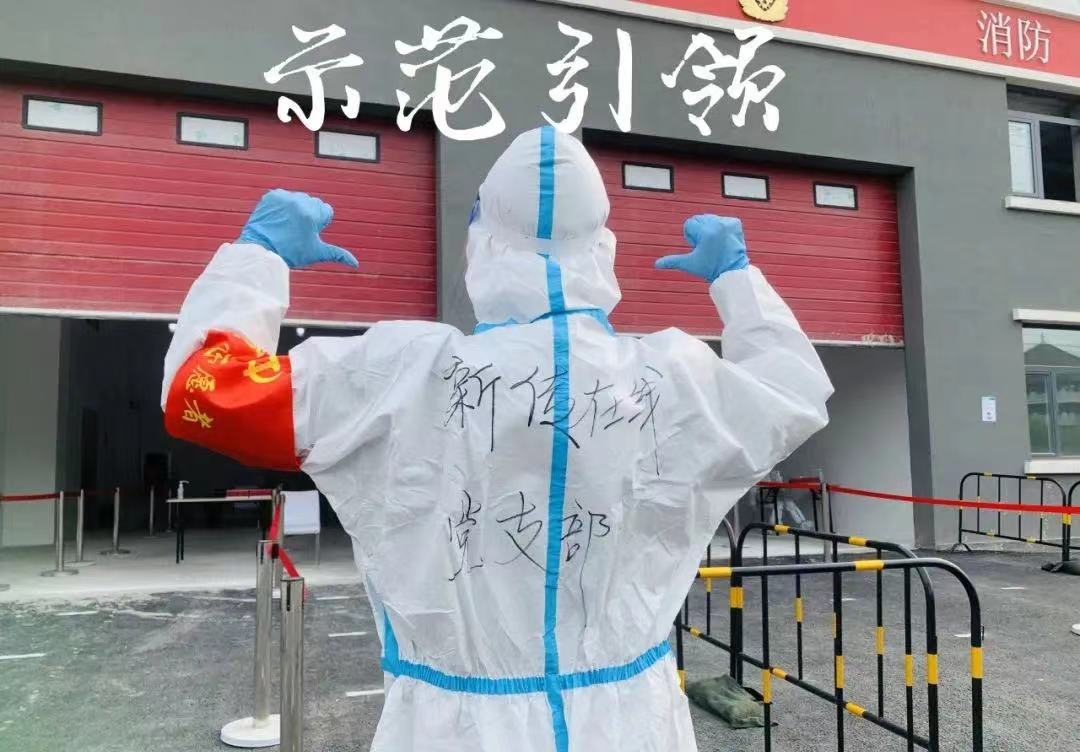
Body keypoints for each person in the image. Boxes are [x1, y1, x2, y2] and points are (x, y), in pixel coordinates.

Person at [161, 126, 833, 752]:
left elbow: (202, 391)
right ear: (603, 248)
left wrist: (258, 258)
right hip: (632, 722)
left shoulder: (401, 373)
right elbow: (795, 392)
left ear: (480, 244)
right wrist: (736, 278)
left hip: (454, 729)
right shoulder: (675, 378)